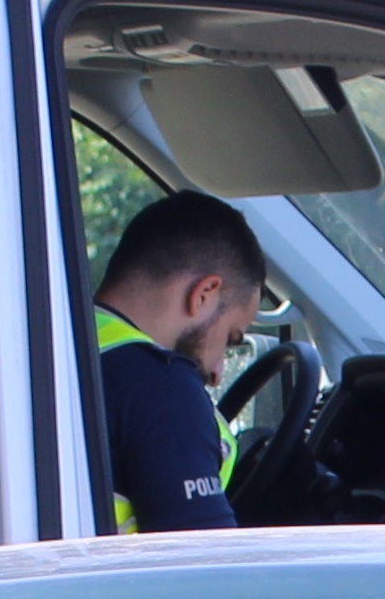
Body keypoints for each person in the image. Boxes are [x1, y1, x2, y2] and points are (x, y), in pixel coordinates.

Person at [86, 190, 266, 532]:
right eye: (229, 339)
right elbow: (206, 572)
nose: (216, 372)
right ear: (204, 294)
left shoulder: (63, 340)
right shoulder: (160, 386)